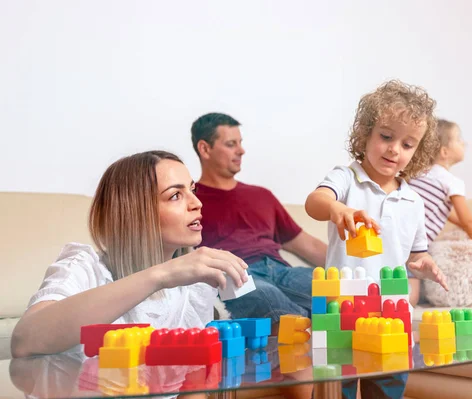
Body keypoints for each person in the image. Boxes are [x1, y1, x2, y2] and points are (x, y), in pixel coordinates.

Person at [11, 151, 248, 358]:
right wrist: (161, 275)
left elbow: (193, 380)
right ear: (135, 212)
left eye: (192, 190)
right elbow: (24, 342)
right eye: (175, 195)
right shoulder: (85, 268)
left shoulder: (195, 288)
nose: (196, 203)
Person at [305, 80, 449, 307]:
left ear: (417, 152)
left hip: (389, 304)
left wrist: (425, 263)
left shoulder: (413, 201)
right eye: (386, 137)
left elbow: (415, 254)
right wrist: (337, 208)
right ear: (366, 134)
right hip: (341, 302)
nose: (394, 149)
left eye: (408, 144)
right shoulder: (346, 178)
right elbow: (314, 202)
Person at [191, 113, 327, 329]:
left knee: (333, 289)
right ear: (205, 149)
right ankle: (309, 323)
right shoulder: (191, 199)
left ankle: (305, 322)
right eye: (230, 144)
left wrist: (359, 268)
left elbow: (307, 244)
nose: (241, 150)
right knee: (267, 300)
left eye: (240, 143)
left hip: (282, 270)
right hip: (238, 273)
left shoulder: (262, 196)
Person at [408, 118, 472, 242]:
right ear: (444, 152)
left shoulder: (419, 174)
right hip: (416, 245)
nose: (464, 143)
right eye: (459, 139)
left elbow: (443, 212)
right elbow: (468, 222)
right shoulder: (452, 182)